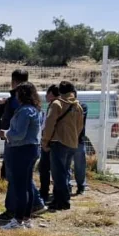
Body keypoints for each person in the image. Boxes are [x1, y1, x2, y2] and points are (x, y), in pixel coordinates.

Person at [1, 82, 42, 230]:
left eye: (18, 93)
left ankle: (18, 220)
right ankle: (26, 218)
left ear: (22, 94)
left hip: (21, 150)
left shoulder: (24, 111)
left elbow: (19, 134)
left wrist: (6, 134)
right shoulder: (35, 110)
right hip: (31, 149)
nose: (16, 96)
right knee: (27, 185)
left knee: (19, 187)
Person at [41, 79, 85, 211]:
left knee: (58, 174)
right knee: (64, 172)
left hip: (58, 143)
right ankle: (62, 199)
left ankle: (61, 201)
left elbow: (49, 124)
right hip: (72, 144)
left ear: (60, 91)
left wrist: (45, 141)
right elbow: (80, 126)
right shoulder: (78, 106)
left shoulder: (57, 104)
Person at [0, 69, 29, 180]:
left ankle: (6, 182)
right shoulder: (32, 100)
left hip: (12, 136)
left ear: (14, 82)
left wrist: (4, 130)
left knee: (9, 162)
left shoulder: (12, 100)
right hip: (26, 138)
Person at [38, 85, 59, 201]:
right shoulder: (55, 105)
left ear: (51, 94)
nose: (46, 96)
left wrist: (45, 141)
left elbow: (49, 125)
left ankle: (44, 191)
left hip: (50, 141)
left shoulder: (55, 106)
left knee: (45, 168)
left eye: (47, 93)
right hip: (53, 141)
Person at [73, 100, 89, 195]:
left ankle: (81, 186)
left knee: (79, 165)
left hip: (78, 140)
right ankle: (69, 186)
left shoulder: (82, 106)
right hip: (69, 140)